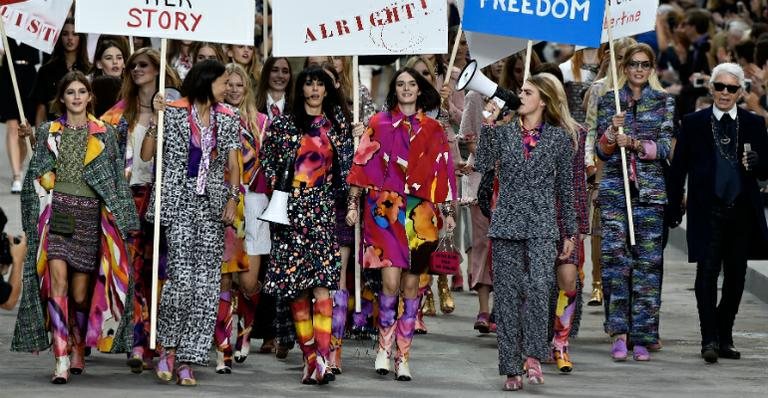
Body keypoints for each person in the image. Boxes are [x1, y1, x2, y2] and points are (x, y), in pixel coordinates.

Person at [14, 71, 139, 384]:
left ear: (89, 97)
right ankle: (60, 359)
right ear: (63, 98)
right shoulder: (48, 131)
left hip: (90, 219)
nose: (77, 97)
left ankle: (78, 341)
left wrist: (125, 220)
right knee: (57, 283)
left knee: (81, 295)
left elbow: (114, 180)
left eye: (82, 91)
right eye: (70, 92)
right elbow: (37, 174)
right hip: (58, 217)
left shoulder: (104, 133)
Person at [346, 67, 457, 382]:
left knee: (412, 286)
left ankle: (403, 356)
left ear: (420, 90)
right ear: (393, 90)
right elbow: (361, 164)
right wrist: (353, 205)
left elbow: (444, 170)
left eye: (412, 84)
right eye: (400, 84)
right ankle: (384, 347)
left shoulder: (434, 127)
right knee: (390, 282)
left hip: (420, 213)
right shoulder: (378, 123)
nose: (406, 89)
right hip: (385, 211)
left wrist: (447, 211)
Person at [476, 72, 575, 391]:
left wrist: (570, 232)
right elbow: (483, 164)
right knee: (505, 298)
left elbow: (566, 189)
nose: (520, 96)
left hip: (543, 227)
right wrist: (488, 125)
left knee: (538, 290)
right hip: (506, 225)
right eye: (520, 90)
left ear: (543, 100)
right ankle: (510, 367)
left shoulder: (559, 138)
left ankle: (533, 356)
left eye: (527, 92)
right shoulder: (504, 133)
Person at [146, 60, 241, 386]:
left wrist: (232, 197)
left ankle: (189, 358)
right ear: (206, 81)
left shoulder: (227, 117)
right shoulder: (172, 111)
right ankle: (167, 349)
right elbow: (147, 154)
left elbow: (233, 161)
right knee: (182, 280)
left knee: (206, 286)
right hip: (179, 201)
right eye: (223, 81)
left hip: (211, 206)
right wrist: (153, 117)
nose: (227, 87)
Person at [668, 62, 768, 363]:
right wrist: (674, 205)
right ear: (711, 88)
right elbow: (678, 168)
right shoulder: (694, 122)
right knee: (707, 273)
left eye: (731, 88)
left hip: (741, 210)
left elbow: (765, 168)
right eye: (720, 86)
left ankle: (725, 335)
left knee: (736, 277)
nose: (725, 93)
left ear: (740, 92)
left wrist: (757, 161)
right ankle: (708, 337)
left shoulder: (753, 123)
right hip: (706, 208)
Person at [259, 66, 353, 385]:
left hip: (323, 210)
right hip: (291, 210)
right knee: (297, 288)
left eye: (319, 84)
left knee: (323, 284)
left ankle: (323, 358)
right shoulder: (284, 123)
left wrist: (347, 198)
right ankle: (310, 357)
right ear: (301, 90)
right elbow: (267, 158)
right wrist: (278, 185)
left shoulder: (337, 125)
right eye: (309, 84)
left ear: (327, 90)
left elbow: (350, 168)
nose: (314, 89)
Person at [100, 47, 182, 373]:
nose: (135, 69)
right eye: (132, 66)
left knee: (159, 273)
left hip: (163, 199)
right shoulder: (121, 112)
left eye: (143, 65)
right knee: (132, 271)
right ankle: (136, 340)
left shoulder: (176, 106)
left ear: (158, 68)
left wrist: (166, 116)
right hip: (129, 198)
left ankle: (159, 341)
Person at [595, 44, 673, 362]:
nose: (639, 70)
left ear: (652, 68)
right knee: (615, 263)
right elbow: (601, 151)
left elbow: (666, 148)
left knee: (647, 266)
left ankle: (643, 335)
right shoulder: (608, 100)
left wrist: (637, 144)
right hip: (616, 192)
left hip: (650, 194)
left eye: (645, 64)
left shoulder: (663, 101)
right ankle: (618, 332)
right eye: (633, 64)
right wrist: (613, 133)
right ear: (624, 67)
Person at [212, 63, 270, 373]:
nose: (234, 89)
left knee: (248, 282)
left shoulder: (261, 123)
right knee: (223, 277)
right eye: (228, 84)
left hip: (257, 205)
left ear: (247, 88)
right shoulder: (214, 119)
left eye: (239, 84)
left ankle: (246, 330)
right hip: (224, 203)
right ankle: (223, 344)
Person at [31, 18, 91, 125]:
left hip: (85, 130)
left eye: (74, 34)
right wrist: (38, 138)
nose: (70, 38)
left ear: (81, 38)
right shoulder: (46, 71)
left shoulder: (89, 69)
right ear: (59, 37)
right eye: (65, 34)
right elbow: (41, 108)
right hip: (53, 131)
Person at [0, 38, 39, 193]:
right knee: (12, 126)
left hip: (29, 76)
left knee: (24, 129)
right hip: (7, 75)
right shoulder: (5, 25)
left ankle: (19, 164)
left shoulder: (34, 25)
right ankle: (16, 176)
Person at [256, 57, 294, 122]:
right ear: (266, 73)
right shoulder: (253, 105)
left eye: (285, 71)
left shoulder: (298, 106)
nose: (280, 76)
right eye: (275, 70)